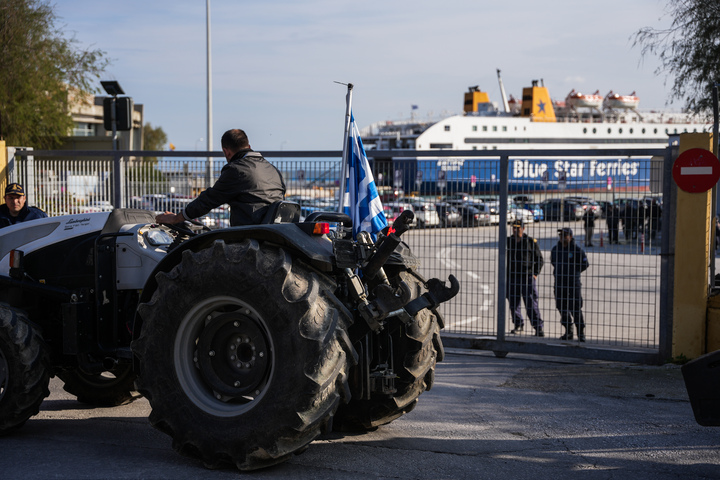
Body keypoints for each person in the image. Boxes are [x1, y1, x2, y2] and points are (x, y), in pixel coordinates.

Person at [156, 129, 286, 226]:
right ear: (249, 146)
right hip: (275, 234)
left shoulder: (237, 169)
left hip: (250, 237)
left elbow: (208, 200)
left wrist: (176, 218)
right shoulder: (273, 170)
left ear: (226, 151)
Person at [506, 219, 544, 336]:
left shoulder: (530, 242)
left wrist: (535, 273)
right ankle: (518, 324)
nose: (515, 230)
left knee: (531, 304)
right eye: (514, 228)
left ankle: (538, 327)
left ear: (523, 228)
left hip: (527, 277)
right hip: (512, 277)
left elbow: (539, 259)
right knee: (513, 303)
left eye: (518, 228)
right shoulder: (509, 241)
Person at [551, 227, 589, 341]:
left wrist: (574, 272)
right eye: (561, 235)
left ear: (570, 237)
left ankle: (580, 333)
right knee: (561, 307)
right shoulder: (556, 249)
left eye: (565, 235)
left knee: (575, 308)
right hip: (559, 283)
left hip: (573, 283)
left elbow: (585, 264)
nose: (562, 237)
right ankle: (568, 330)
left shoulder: (577, 250)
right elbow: (553, 261)